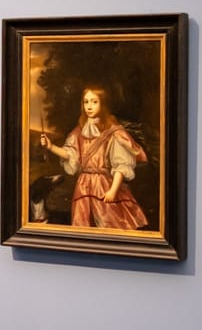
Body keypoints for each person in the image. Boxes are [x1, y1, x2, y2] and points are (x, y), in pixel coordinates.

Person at [39, 85, 148, 230]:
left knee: (108, 223)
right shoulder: (78, 132)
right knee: (83, 224)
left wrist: (113, 190)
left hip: (103, 185)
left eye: (94, 102)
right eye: (86, 102)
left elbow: (121, 165)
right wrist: (51, 146)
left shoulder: (113, 132)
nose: (89, 106)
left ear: (103, 104)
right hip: (83, 186)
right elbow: (70, 154)